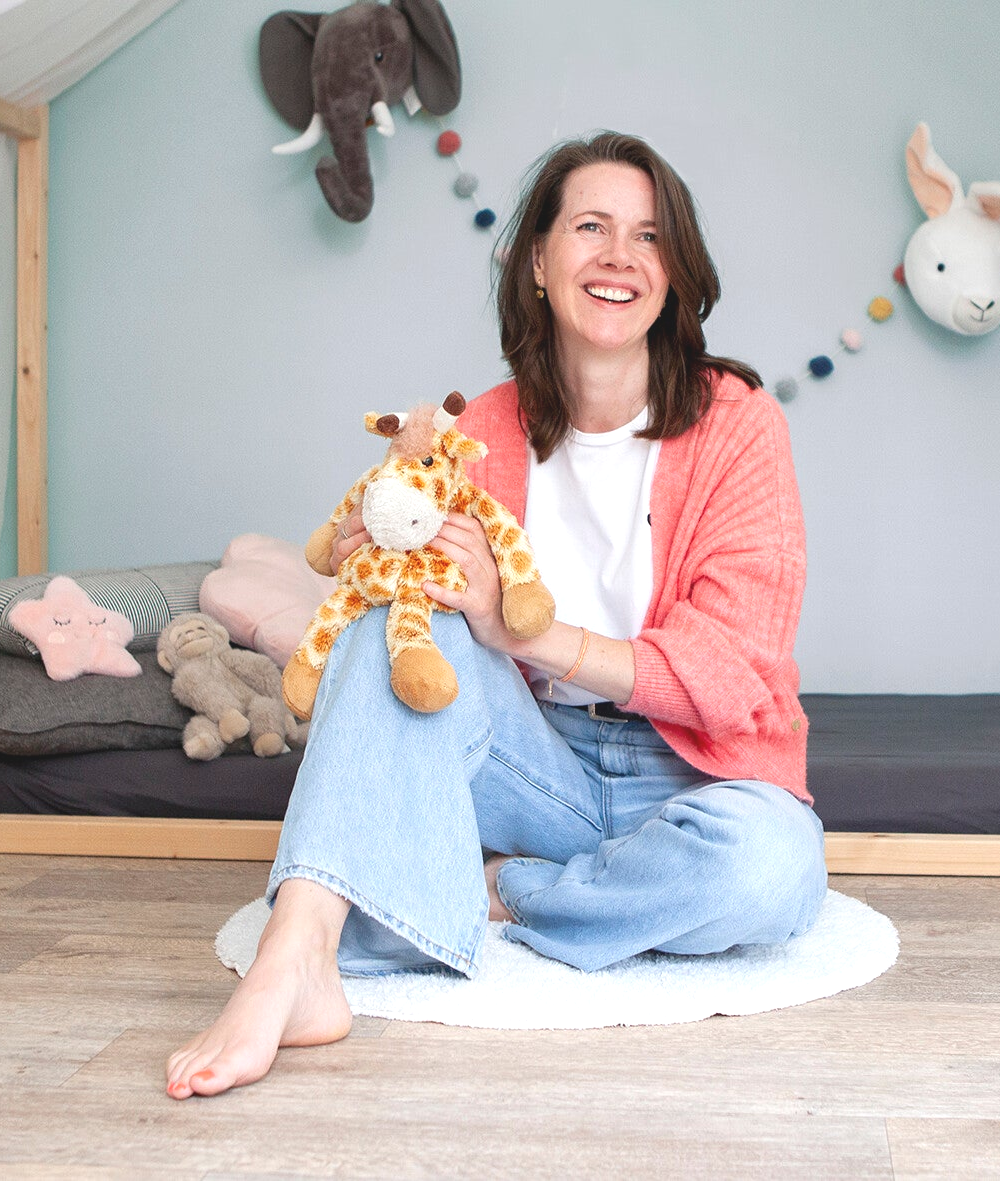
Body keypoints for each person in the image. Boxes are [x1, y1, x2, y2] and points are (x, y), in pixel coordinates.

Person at [166, 130, 826, 1100]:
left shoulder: (737, 424)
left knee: (770, 870)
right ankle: (293, 957)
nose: (618, 255)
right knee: (396, 617)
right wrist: (374, 550)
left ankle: (496, 890)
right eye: (590, 227)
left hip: (690, 774)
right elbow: (415, 620)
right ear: (537, 261)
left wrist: (525, 632)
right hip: (534, 764)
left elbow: (732, 671)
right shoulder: (475, 430)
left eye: (648, 236)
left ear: (673, 272)